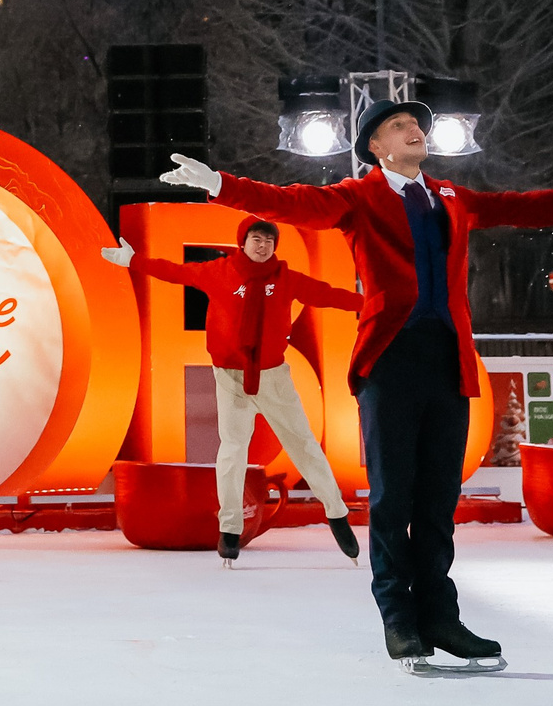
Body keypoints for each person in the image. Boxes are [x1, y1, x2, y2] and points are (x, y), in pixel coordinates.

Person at [162, 102, 553, 673]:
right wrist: (221, 185)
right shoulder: (356, 197)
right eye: (399, 125)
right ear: (376, 146)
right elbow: (289, 202)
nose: (415, 129)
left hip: (448, 360)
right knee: (394, 498)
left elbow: (514, 207)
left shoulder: (450, 197)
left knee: (438, 500)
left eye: (418, 123)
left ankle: (441, 617)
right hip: (390, 361)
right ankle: (398, 618)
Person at [103, 215, 365, 565]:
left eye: (269, 241)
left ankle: (336, 514)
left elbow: (327, 294)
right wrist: (133, 261)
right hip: (230, 378)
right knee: (232, 451)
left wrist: (376, 304)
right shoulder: (219, 272)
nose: (262, 246)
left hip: (273, 376)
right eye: (256, 239)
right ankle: (229, 528)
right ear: (243, 242)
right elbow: (174, 271)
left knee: (304, 445)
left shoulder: (285, 278)